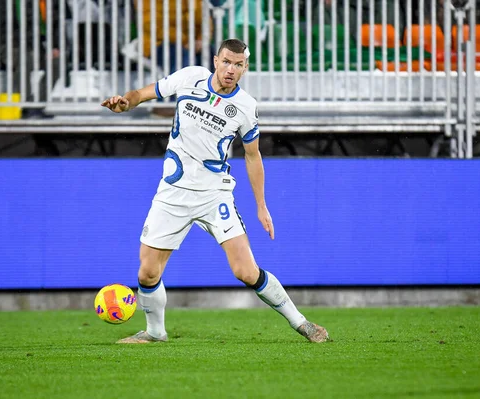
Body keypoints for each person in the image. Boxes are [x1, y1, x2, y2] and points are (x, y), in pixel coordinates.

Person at [101, 39, 329, 344]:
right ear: (215, 60)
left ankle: (302, 324)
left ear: (245, 68)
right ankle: (155, 333)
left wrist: (261, 205)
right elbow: (143, 93)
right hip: (173, 191)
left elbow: (253, 156)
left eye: (238, 65)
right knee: (147, 274)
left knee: (246, 271)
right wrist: (125, 103)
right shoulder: (189, 78)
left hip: (214, 194)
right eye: (226, 62)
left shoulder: (245, 108)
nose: (230, 70)